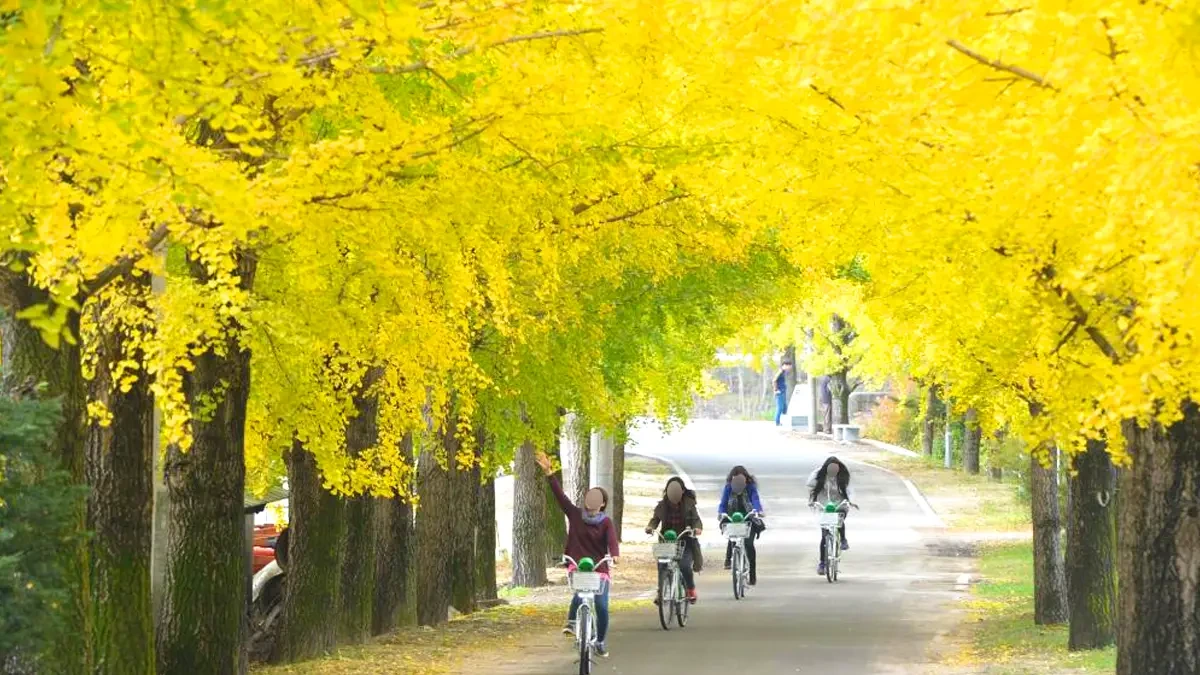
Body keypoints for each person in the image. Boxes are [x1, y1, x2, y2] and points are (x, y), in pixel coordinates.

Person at [536, 451, 619, 658]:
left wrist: (615, 555)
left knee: (601, 605)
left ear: (602, 504)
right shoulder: (574, 514)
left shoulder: (606, 522)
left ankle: (600, 640)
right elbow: (559, 496)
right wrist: (549, 472)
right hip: (577, 564)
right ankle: (572, 623)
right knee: (579, 591)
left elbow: (611, 541)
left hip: (599, 568)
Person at [645, 476, 704, 603]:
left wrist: (696, 529)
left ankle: (690, 589)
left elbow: (696, 520)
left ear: (682, 491)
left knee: (684, 565)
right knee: (662, 565)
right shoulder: (662, 506)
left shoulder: (689, 504)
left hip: (685, 541)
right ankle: (661, 593)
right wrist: (650, 527)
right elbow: (655, 519)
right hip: (667, 542)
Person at [807, 456, 858, 576]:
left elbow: (850, 491)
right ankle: (822, 563)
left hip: (840, 503)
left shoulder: (843, 476)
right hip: (825, 505)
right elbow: (810, 485)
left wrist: (850, 501)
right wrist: (812, 501)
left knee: (839, 519)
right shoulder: (819, 474)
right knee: (824, 536)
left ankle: (843, 539)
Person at [718, 465, 765, 585]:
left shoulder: (750, 488)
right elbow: (723, 503)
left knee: (749, 544)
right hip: (733, 518)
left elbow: (755, 500)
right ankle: (729, 560)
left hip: (748, 518)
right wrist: (721, 513)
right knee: (732, 536)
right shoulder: (728, 488)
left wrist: (757, 510)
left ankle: (752, 575)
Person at [774, 362, 792, 426]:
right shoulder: (780, 372)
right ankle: (777, 422)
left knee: (785, 408)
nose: (790, 368)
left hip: (783, 391)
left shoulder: (783, 372)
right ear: (784, 365)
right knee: (780, 408)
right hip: (780, 392)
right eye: (789, 366)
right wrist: (776, 390)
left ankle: (784, 421)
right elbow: (774, 380)